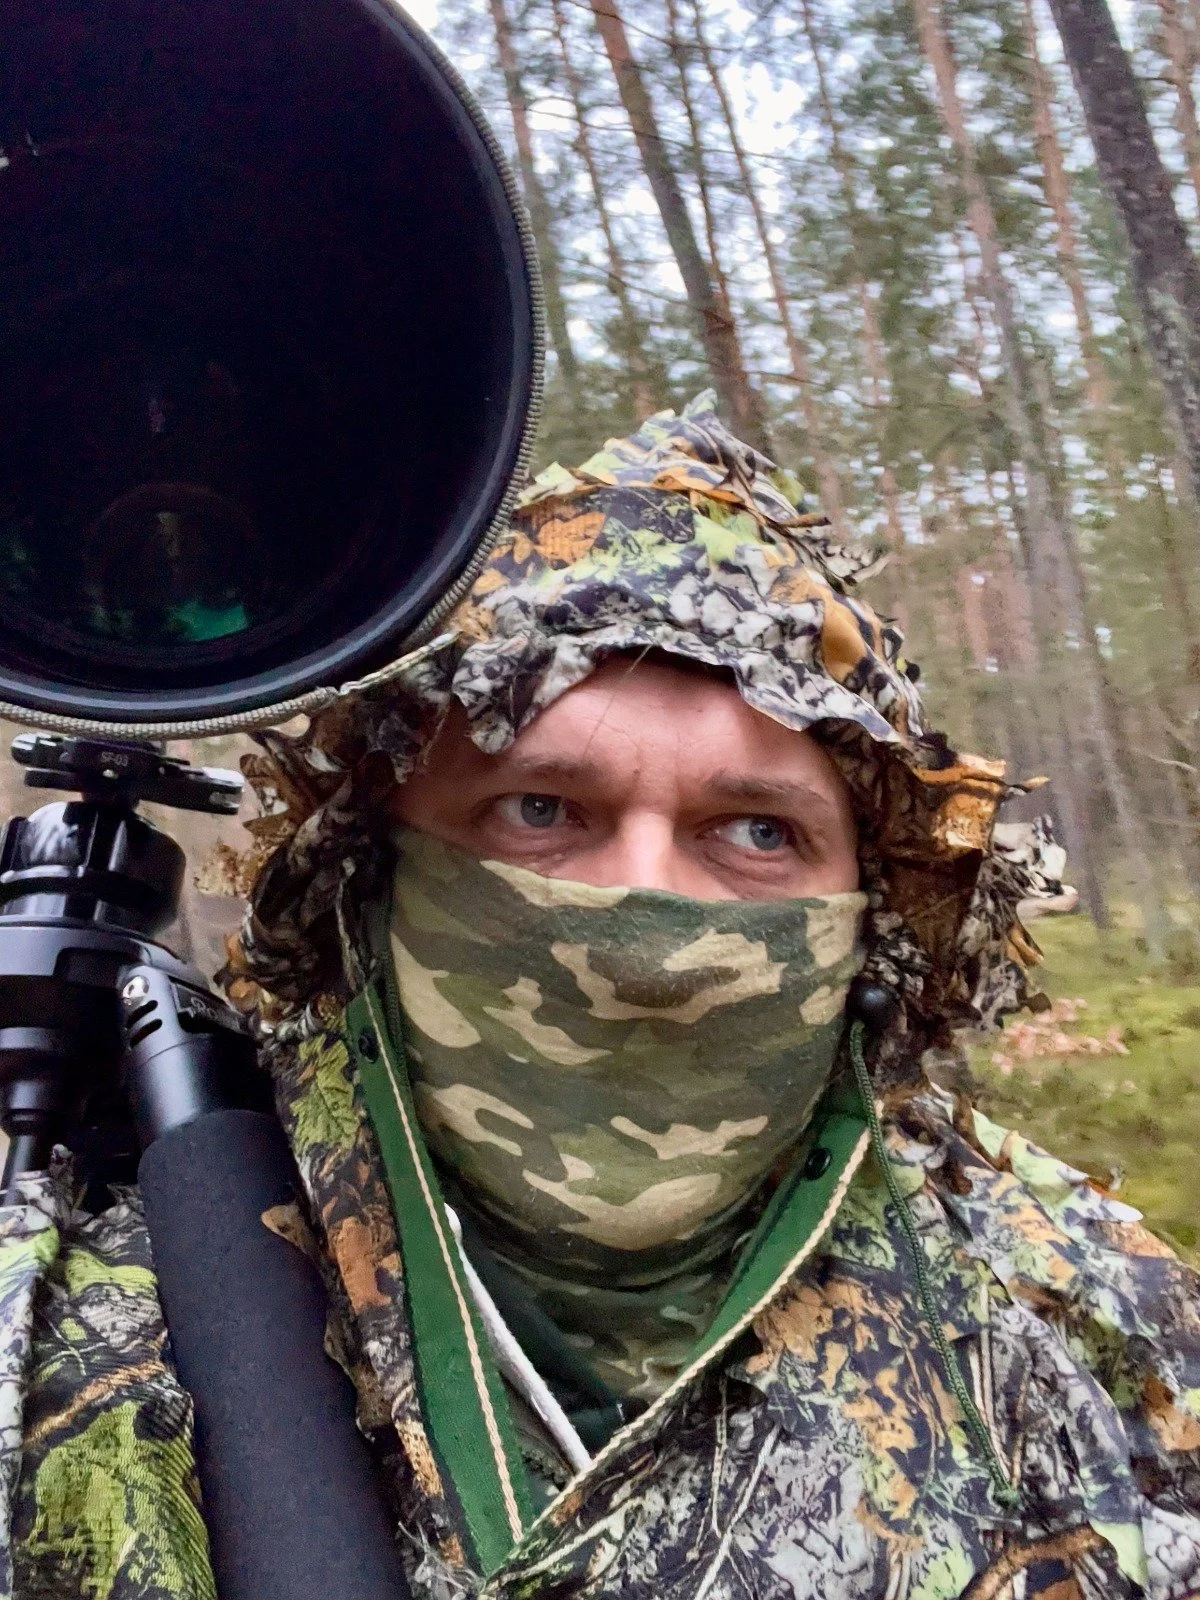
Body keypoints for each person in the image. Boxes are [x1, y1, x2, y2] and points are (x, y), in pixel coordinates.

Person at [4, 393, 1200, 1599]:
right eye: (541, 809)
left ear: (869, 915)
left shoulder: (1094, 1327)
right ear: (367, 876)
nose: (646, 924)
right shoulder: (68, 1329)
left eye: (756, 830)